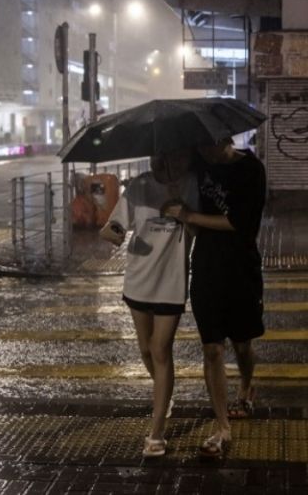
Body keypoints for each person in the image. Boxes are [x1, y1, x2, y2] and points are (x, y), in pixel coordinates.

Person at [163, 137, 267, 458]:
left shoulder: (251, 170)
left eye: (210, 146)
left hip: (241, 268)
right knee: (212, 349)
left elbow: (240, 224)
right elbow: (172, 170)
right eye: (201, 148)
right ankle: (222, 426)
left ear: (227, 138)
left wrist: (190, 216)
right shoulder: (201, 161)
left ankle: (247, 386)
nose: (204, 153)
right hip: (206, 268)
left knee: (242, 343)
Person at [99, 149, 199, 457]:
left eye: (170, 155)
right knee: (145, 348)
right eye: (158, 156)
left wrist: (183, 212)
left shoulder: (192, 185)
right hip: (138, 279)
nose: (164, 162)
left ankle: (156, 434)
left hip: (171, 281)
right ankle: (164, 393)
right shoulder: (140, 186)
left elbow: (198, 229)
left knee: (160, 349)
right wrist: (111, 233)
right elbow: (114, 227)